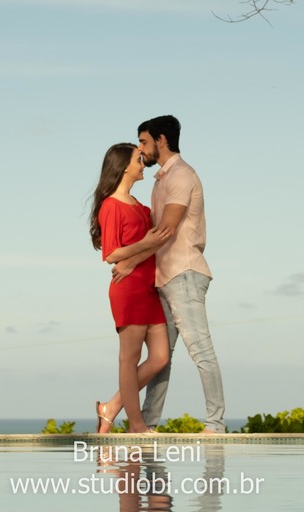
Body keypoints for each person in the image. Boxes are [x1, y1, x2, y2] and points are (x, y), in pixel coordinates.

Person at [106, 115, 226, 434]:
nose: (141, 149)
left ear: (161, 140)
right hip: (164, 277)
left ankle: (215, 423)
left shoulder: (181, 176)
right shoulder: (161, 180)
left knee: (200, 349)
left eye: (144, 142)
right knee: (161, 358)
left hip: (184, 273)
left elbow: (167, 230)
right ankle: (147, 423)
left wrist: (130, 262)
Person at [90, 142, 170, 434]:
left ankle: (110, 407)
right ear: (124, 165)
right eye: (139, 159)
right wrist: (146, 244)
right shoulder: (111, 205)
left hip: (149, 287)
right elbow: (111, 253)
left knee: (160, 357)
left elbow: (157, 242)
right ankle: (136, 424)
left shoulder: (142, 207)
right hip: (128, 289)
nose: (143, 163)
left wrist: (139, 253)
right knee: (129, 358)